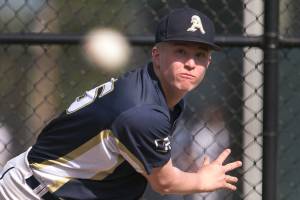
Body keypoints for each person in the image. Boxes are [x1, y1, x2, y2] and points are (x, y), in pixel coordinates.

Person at [0, 7, 242, 200]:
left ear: (208, 63)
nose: (191, 63)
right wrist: (202, 180)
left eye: (200, 55)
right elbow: (164, 182)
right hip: (29, 192)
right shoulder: (143, 111)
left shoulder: (156, 91)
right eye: (181, 51)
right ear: (156, 55)